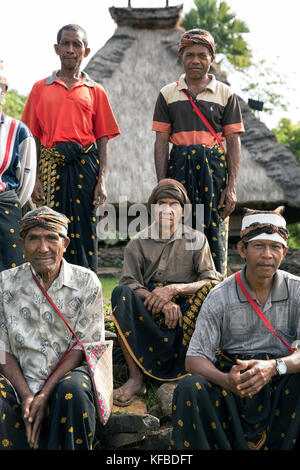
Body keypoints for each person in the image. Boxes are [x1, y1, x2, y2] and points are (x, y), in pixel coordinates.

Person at [171, 207, 300, 450]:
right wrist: (226, 380)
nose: (267, 255)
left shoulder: (297, 290)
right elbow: (194, 359)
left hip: (282, 380)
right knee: (190, 388)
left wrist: (273, 367)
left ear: (284, 252)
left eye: (275, 247)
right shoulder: (219, 296)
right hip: (233, 383)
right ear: (242, 250)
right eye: (258, 246)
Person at [111, 178, 223, 406]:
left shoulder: (196, 240)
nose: (167, 209)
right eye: (162, 203)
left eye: (174, 204)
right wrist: (161, 301)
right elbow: (130, 283)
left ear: (183, 211)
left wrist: (174, 290)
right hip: (149, 308)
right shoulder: (138, 242)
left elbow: (211, 279)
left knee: (211, 290)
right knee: (120, 294)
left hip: (185, 312)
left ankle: (190, 369)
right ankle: (136, 378)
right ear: (153, 208)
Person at [0, 206, 104, 450]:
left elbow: (84, 347)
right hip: (18, 378)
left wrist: (45, 394)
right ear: (21, 243)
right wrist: (27, 395)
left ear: (65, 243)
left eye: (51, 238)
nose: (43, 248)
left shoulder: (86, 282)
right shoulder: (4, 283)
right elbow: (1, 349)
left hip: (66, 377)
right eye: (34, 239)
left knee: (74, 391)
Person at [21, 24, 120, 272]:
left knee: (85, 228)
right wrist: (33, 180)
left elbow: (103, 139)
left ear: (86, 51)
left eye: (77, 45)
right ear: (56, 48)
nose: (70, 49)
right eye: (66, 44)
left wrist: (102, 180)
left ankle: (87, 286)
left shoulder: (95, 90)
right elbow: (31, 137)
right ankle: (50, 288)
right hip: (50, 168)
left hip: (85, 168)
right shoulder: (39, 88)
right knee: (50, 228)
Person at [152, 29, 244, 276]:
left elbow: (234, 142)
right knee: (178, 230)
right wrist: (163, 185)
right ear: (181, 57)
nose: (195, 60)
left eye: (202, 55)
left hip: (213, 172)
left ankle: (214, 291)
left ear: (211, 58)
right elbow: (161, 142)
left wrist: (231, 186)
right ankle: (180, 298)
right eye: (189, 54)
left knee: (213, 230)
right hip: (179, 168)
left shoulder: (226, 94)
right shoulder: (167, 94)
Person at [0, 76, 36, 271]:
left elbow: (27, 179)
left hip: (5, 207)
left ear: (4, 90)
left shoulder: (18, 130)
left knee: (10, 270)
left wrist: (10, 200)